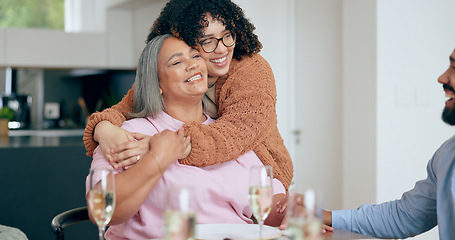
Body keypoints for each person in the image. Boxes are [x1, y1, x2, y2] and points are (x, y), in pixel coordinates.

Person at [86, 34, 286, 239]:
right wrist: (158, 158)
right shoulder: (126, 136)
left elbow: (269, 207)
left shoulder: (227, 135)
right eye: (177, 61)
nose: (192, 65)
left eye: (196, 56)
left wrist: (293, 212)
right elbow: (102, 211)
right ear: (157, 84)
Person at [82, 0, 294, 191]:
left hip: (263, 180)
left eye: (227, 35)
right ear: (186, 40)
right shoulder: (172, 74)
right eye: (207, 40)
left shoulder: (252, 70)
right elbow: (125, 108)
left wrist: (159, 146)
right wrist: (103, 130)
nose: (221, 50)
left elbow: (234, 135)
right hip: (211, 176)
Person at [320, 48, 455, 239]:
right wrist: (321, 216)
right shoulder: (447, 155)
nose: (442, 78)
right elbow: (404, 217)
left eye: (454, 68)